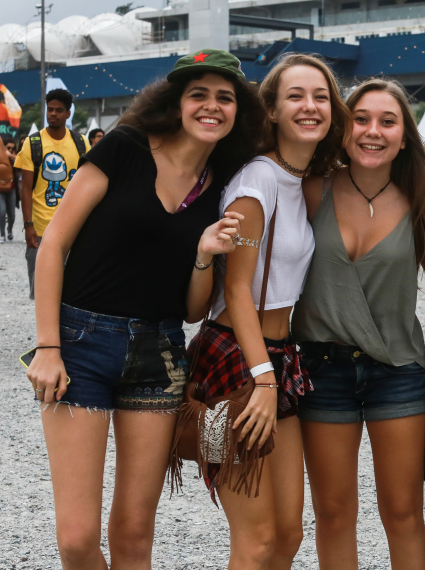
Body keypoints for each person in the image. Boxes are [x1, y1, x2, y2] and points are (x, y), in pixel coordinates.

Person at [23, 50, 259, 569]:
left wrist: (202, 256)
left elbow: (195, 309)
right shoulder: (126, 149)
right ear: (176, 101)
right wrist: (47, 346)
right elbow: (53, 244)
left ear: (239, 109)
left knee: (134, 535)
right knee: (78, 539)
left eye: (225, 97)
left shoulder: (222, 186)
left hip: (161, 351)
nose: (211, 106)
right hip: (81, 343)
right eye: (198, 94)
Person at [291, 77, 425, 570]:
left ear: (404, 136)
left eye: (388, 121)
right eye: (362, 119)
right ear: (343, 127)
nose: (373, 131)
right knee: (333, 514)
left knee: (403, 513)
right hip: (321, 369)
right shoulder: (310, 192)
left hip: (397, 370)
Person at [178, 53, 348, 570]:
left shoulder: (299, 179)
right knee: (253, 542)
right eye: (295, 96)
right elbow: (237, 291)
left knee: (288, 535)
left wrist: (272, 376)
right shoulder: (257, 183)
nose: (310, 106)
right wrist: (264, 379)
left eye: (320, 96)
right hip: (230, 369)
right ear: (270, 110)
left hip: (276, 361)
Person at [14, 89, 90, 299]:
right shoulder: (33, 143)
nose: (52, 114)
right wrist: (28, 225)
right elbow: (26, 188)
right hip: (41, 230)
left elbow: (89, 185)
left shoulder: (82, 143)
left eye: (58, 110)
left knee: (73, 291)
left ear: (68, 113)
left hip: (74, 228)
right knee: (42, 293)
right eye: (50, 110)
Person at [0, 136, 14, 243]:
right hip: (0, 187)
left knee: (12, 214)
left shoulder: (13, 157)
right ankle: (2, 234)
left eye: (12, 148)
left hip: (12, 188)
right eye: (8, 148)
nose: (10, 150)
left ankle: (9, 230)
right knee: (2, 211)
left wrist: (12, 157)